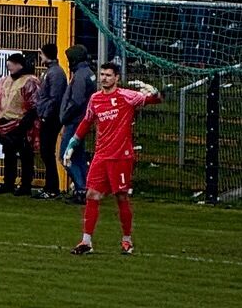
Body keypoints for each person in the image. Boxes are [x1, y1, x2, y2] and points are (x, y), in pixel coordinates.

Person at [65, 62, 160, 255]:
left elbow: (154, 100)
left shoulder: (127, 96)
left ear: (116, 78)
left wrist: (155, 92)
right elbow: (87, 121)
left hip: (120, 156)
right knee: (92, 195)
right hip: (101, 155)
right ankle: (86, 242)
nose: (104, 78)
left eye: (108, 75)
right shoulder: (95, 99)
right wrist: (72, 143)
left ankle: (127, 240)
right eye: (102, 74)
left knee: (121, 196)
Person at [0, 50, 38, 195]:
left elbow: (34, 105)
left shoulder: (29, 81)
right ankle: (8, 183)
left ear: (19, 65)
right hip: (5, 122)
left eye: (12, 64)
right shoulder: (4, 81)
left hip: (21, 123)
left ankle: (25, 185)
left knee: (25, 155)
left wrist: (25, 123)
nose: (9, 66)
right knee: (9, 155)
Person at [59, 44, 96, 201]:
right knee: (78, 156)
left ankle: (81, 189)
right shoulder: (89, 73)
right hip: (82, 120)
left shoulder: (80, 75)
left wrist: (65, 116)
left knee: (65, 155)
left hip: (75, 121)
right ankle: (86, 188)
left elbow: (77, 100)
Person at [35, 40, 67, 197]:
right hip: (48, 116)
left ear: (46, 55)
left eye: (41, 54)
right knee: (45, 152)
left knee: (47, 152)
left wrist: (46, 115)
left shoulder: (55, 73)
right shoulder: (52, 72)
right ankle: (50, 186)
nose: (40, 57)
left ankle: (52, 188)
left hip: (51, 118)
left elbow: (55, 98)